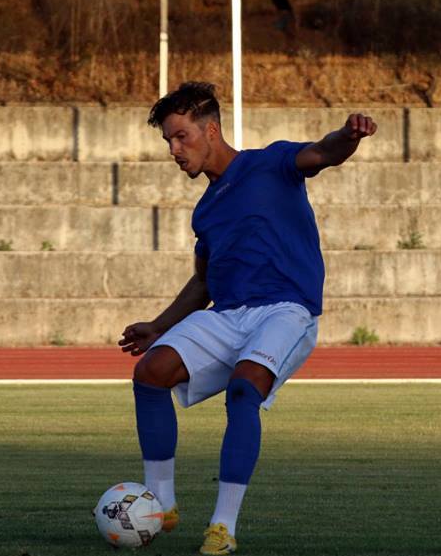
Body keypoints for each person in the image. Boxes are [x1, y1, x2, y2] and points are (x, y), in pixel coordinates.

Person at [118, 83, 375, 555]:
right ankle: (162, 504)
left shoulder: (269, 163)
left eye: (181, 137)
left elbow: (322, 153)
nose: (175, 151)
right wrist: (159, 326)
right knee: (150, 373)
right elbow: (203, 284)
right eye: (168, 142)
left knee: (244, 389)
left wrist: (350, 135)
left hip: (285, 310)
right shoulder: (206, 210)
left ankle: (222, 527)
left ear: (210, 130)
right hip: (228, 314)